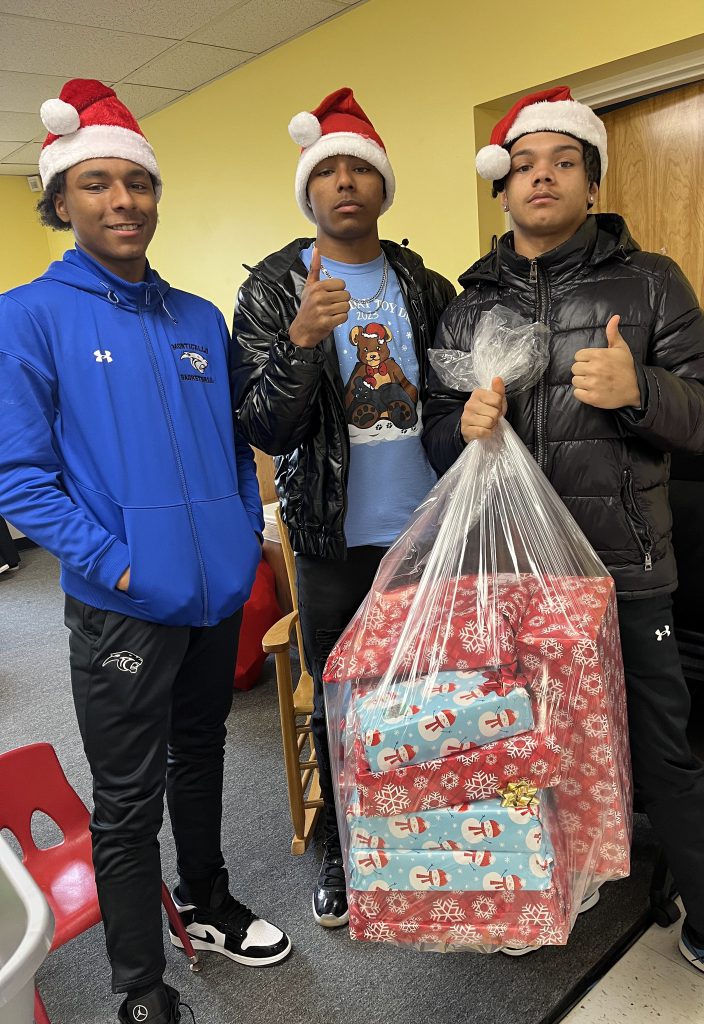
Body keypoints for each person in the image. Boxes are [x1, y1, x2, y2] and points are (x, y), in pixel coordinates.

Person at [422, 86, 704, 1024]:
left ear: (590, 179)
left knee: (662, 755)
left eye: (563, 161)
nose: (543, 175)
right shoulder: (467, 304)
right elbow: (433, 443)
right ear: (502, 188)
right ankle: (533, 894)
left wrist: (638, 387)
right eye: (525, 163)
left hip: (625, 570)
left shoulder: (651, 282)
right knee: (515, 751)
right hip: (507, 579)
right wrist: (460, 427)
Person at [0, 79, 290, 1024]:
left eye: (139, 183)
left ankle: (206, 904)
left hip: (213, 595)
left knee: (201, 756)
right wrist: (120, 564)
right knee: (126, 802)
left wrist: (244, 535)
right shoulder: (28, 317)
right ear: (62, 200)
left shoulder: (201, 319)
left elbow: (235, 449)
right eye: (97, 184)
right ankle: (139, 988)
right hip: (123, 603)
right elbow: (20, 480)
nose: (123, 201)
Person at [231, 87, 455, 929]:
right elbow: (259, 422)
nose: (345, 181)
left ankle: (424, 822)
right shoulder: (271, 290)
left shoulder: (423, 284)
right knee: (339, 692)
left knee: (429, 684)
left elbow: (449, 395)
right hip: (327, 534)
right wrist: (297, 344)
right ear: (308, 191)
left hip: (426, 531)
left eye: (360, 166)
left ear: (383, 186)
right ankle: (341, 841)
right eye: (327, 169)